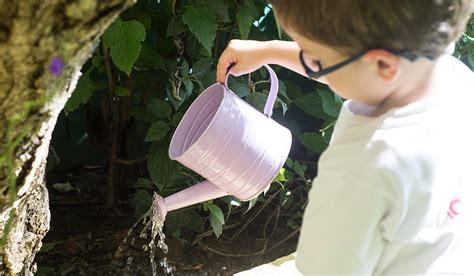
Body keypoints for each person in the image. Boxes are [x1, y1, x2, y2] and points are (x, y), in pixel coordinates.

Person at [216, 0, 474, 274]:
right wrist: (269, 51)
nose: (311, 63)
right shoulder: (453, 78)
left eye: (315, 61)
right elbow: (353, 63)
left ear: (384, 65)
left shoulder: (362, 165)